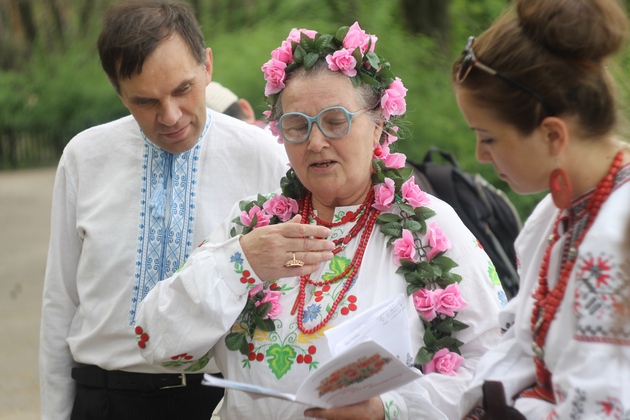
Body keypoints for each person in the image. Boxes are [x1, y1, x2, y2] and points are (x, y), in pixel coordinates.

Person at [134, 22, 507, 419]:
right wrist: (240, 263)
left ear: (378, 124)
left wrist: (388, 409)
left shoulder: (429, 228)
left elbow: (489, 365)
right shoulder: (252, 227)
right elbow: (157, 343)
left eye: (335, 122)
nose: (315, 142)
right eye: (297, 126)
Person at [39, 1, 289, 419]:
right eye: (145, 101)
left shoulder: (263, 156)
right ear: (117, 89)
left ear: (207, 65)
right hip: (103, 400)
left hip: (219, 401)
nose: (170, 116)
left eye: (182, 89)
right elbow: (59, 301)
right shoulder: (85, 157)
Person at [452, 0, 630, 418]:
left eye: (488, 137)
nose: (479, 155)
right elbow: (522, 342)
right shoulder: (556, 212)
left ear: (552, 135)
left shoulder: (618, 235)